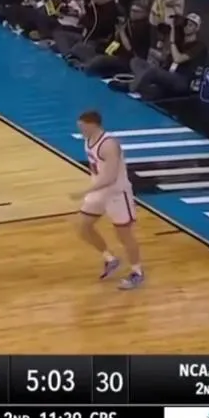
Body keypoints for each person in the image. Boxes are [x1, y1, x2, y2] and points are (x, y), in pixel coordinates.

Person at [73, 110, 143, 290]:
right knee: (83, 227)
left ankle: (137, 272)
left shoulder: (109, 144)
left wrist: (85, 190)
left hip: (117, 193)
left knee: (124, 235)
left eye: (82, 127)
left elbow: (110, 177)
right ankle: (110, 259)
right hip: (99, 191)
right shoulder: (88, 140)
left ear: (93, 125)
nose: (80, 130)